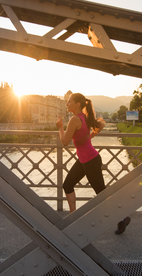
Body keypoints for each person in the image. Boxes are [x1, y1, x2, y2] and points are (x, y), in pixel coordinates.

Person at [55, 93, 131, 234]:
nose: (67, 104)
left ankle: (122, 218)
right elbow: (96, 129)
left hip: (90, 161)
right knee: (67, 185)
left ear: (77, 104)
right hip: (86, 159)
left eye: (69, 101)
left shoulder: (75, 119)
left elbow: (65, 142)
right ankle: (74, 218)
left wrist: (59, 127)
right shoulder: (85, 117)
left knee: (101, 194)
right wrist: (87, 139)